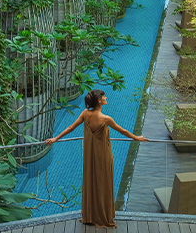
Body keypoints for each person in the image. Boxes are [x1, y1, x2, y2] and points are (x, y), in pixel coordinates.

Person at [44, 89, 148, 228]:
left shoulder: (86, 114)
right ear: (99, 100)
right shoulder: (106, 119)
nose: (106, 97)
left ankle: (90, 215)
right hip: (104, 155)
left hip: (90, 155)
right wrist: (136, 138)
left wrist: (55, 138)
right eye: (103, 96)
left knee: (91, 181)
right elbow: (122, 131)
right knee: (104, 183)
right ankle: (104, 216)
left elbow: (71, 127)